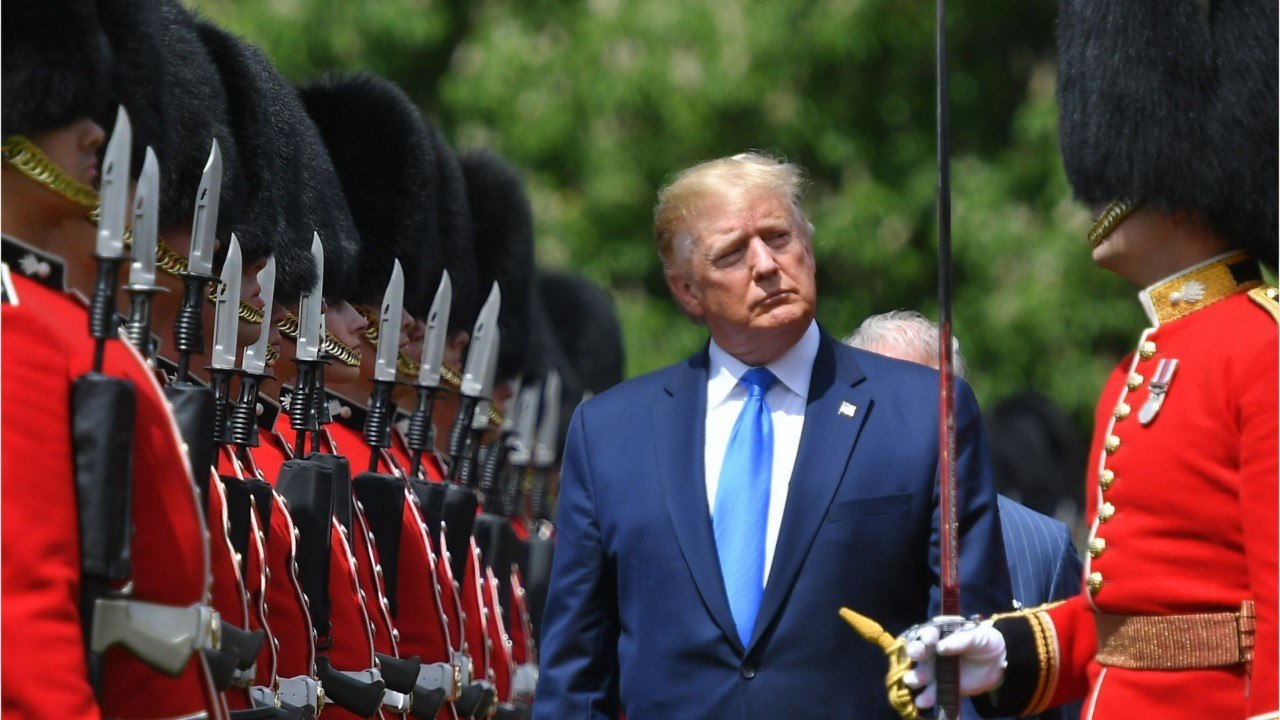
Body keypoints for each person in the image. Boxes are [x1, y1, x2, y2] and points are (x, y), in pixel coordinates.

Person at [900, 2, 1277, 719]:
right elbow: (1123, 625)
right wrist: (1003, 649)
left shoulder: (1261, 347)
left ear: (1191, 183)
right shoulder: (1134, 371)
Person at [533, 152, 1011, 719]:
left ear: (808, 246)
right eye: (732, 252)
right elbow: (576, 677)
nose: (764, 264)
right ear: (686, 290)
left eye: (778, 237)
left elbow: (970, 648)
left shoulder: (922, 410)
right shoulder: (610, 433)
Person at [1, 2, 221, 718]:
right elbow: (22, 614)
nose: (96, 132)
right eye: (64, 108)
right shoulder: (21, 327)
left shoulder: (52, 320)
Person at [847, 310, 1083, 720]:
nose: (908, 427)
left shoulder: (1044, 547)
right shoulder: (810, 532)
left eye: (926, 405)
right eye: (888, 406)